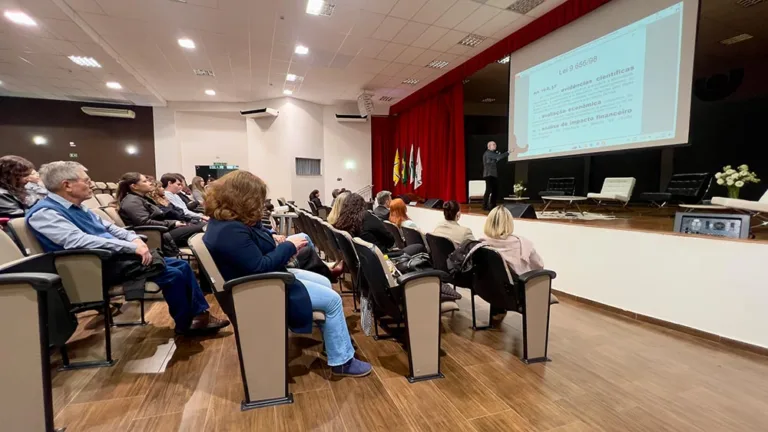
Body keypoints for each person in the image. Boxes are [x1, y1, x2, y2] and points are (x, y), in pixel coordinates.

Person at [26, 161, 229, 334]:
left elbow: (111, 228)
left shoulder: (79, 207)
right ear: (67, 185)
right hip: (94, 267)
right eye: (86, 181)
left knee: (180, 266)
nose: (91, 185)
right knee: (172, 274)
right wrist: (130, 247)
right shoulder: (45, 213)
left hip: (114, 258)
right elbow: (78, 241)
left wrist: (135, 240)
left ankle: (200, 315)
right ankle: (186, 324)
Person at [203, 170, 371, 378]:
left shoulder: (227, 223)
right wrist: (289, 246)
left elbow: (255, 246)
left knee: (324, 283)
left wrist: (275, 239)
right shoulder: (230, 231)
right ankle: (342, 361)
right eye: (257, 198)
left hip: (265, 280)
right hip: (262, 288)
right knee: (334, 300)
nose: (260, 203)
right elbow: (260, 267)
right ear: (243, 198)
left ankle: (333, 341)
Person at [480, 205, 546, 324]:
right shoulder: (523, 244)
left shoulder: (482, 244)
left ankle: (497, 311)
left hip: (490, 290)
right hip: (518, 292)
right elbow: (539, 266)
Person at [116, 172, 204, 247]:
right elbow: (144, 223)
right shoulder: (132, 201)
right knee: (204, 227)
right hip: (158, 235)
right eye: (145, 181)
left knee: (203, 227)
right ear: (134, 186)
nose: (150, 183)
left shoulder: (142, 198)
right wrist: (173, 223)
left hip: (164, 230)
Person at [334, 193, 424, 257]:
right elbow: (390, 241)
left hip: (366, 258)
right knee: (419, 247)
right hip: (382, 256)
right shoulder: (367, 217)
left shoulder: (344, 221)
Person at [483, 141, 510, 211]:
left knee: (495, 190)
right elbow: (498, 157)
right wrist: (508, 152)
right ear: (489, 146)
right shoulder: (488, 153)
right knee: (489, 190)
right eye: (494, 145)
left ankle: (493, 205)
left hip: (492, 174)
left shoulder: (492, 153)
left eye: (495, 144)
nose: (495, 146)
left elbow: (495, 159)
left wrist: (497, 157)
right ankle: (485, 206)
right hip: (489, 174)